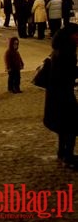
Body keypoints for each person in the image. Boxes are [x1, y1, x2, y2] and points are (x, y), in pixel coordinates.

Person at [44, 24, 78, 169]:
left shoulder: (60, 49)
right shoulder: (66, 51)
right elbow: (67, 73)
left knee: (64, 125)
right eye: (77, 34)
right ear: (70, 35)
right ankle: (68, 156)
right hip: (63, 94)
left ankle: (62, 152)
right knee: (72, 125)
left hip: (56, 94)